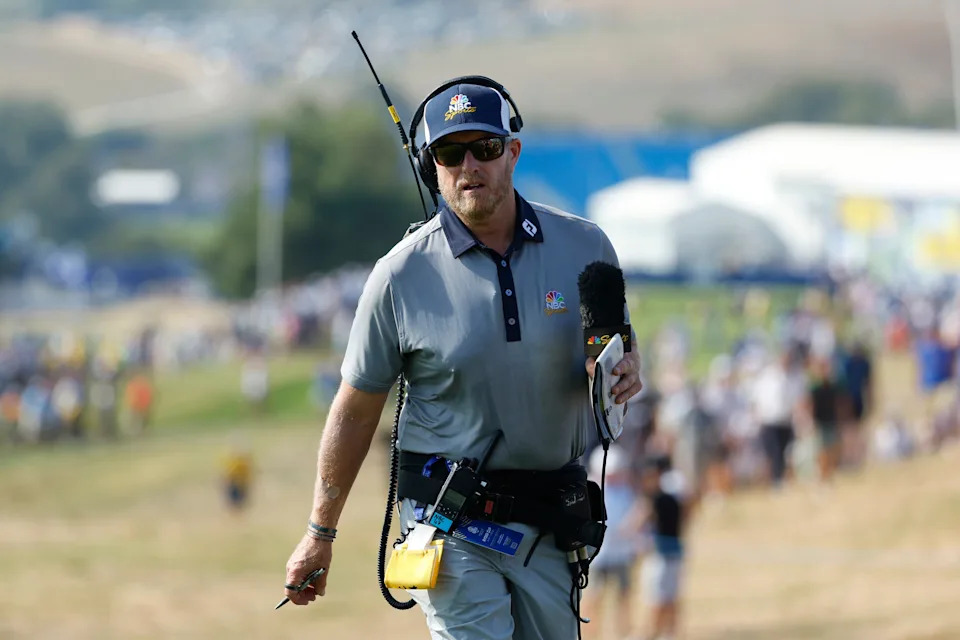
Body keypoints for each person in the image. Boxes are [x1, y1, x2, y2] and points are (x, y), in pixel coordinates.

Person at [282, 78, 643, 639]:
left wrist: (625, 371)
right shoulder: (399, 276)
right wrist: (320, 532)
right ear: (432, 166)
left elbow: (617, 347)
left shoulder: (587, 246)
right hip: (447, 521)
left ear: (513, 152)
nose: (468, 165)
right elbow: (354, 412)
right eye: (450, 153)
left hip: (552, 517)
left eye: (485, 148)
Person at [581, 444, 639, 640]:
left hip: (622, 553)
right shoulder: (592, 492)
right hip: (599, 556)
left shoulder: (627, 491)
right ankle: (590, 634)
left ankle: (624, 633)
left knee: (624, 595)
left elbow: (635, 519)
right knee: (593, 597)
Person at [632, 455, 686, 640]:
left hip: (660, 552)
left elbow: (639, 521)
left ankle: (652, 633)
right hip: (675, 549)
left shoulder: (655, 497)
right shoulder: (678, 490)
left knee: (657, 596)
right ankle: (671, 633)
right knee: (671, 596)